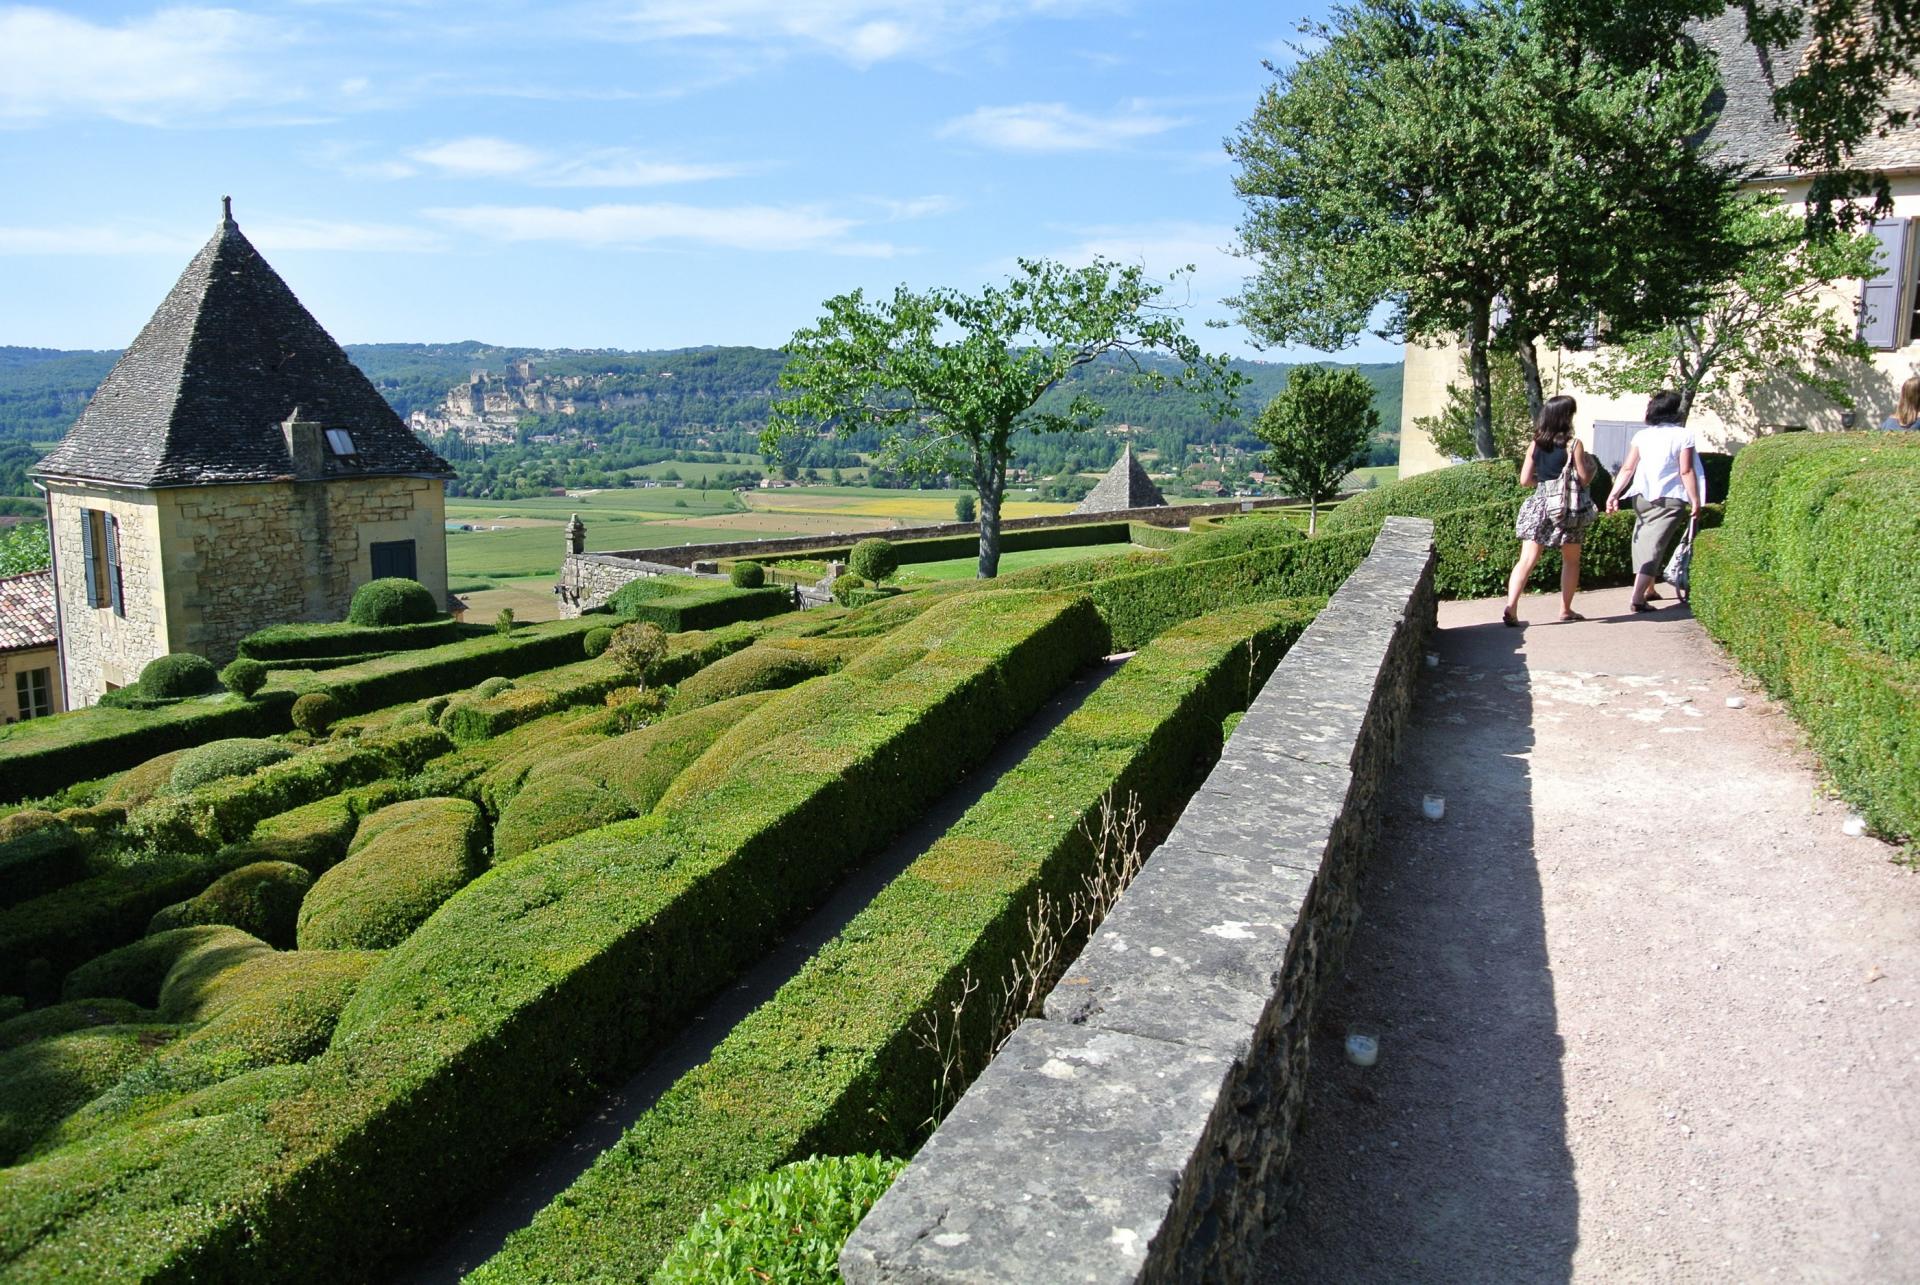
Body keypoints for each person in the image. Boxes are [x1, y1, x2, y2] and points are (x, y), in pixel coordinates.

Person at [1503, 394, 1596, 626]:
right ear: (1567, 417)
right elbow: (1583, 479)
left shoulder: (1535, 443)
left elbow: (1525, 480)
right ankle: (1565, 609)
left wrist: (1545, 484)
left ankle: (1511, 607)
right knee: (1571, 560)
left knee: (1526, 560)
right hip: (1567, 508)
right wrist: (1590, 469)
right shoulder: (1573, 444)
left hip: (1540, 504)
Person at [1606, 390, 1701, 613]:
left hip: (1641, 497)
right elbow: (1686, 471)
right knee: (1654, 546)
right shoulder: (1683, 436)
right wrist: (1696, 500)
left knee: (1643, 542)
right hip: (1670, 497)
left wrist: (1613, 494)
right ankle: (1638, 598)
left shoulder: (1642, 436)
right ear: (1675, 411)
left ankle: (1648, 589)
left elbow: (1628, 468)